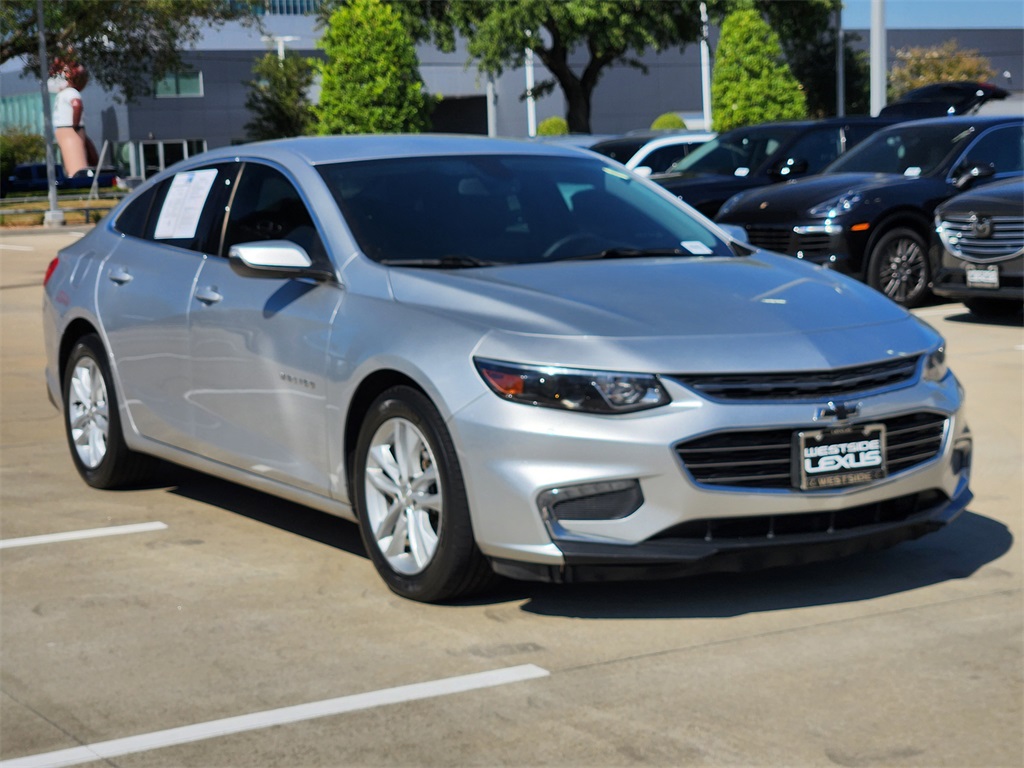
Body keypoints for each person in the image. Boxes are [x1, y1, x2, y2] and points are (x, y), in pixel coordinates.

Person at [49, 58, 98, 177]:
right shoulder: (66, 93)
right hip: (67, 129)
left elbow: (77, 105)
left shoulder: (70, 92)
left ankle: (79, 178)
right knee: (71, 155)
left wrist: (75, 124)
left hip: (69, 129)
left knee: (75, 160)